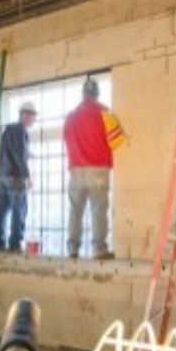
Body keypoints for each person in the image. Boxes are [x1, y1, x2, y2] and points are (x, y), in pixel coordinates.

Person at [63, 79, 125, 260]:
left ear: (83, 94)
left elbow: (66, 140)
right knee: (98, 210)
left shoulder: (70, 117)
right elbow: (118, 140)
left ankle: (72, 249)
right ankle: (99, 249)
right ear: (97, 94)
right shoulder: (104, 113)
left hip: (76, 170)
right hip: (98, 169)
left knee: (75, 210)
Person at [0, 101, 37, 253]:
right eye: (32, 116)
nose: (34, 119)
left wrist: (27, 154)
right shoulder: (20, 130)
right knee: (19, 209)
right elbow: (18, 154)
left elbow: (10, 151)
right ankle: (15, 245)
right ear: (25, 115)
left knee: (2, 210)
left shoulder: (8, 129)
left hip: (3, 175)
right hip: (15, 176)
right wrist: (28, 176)